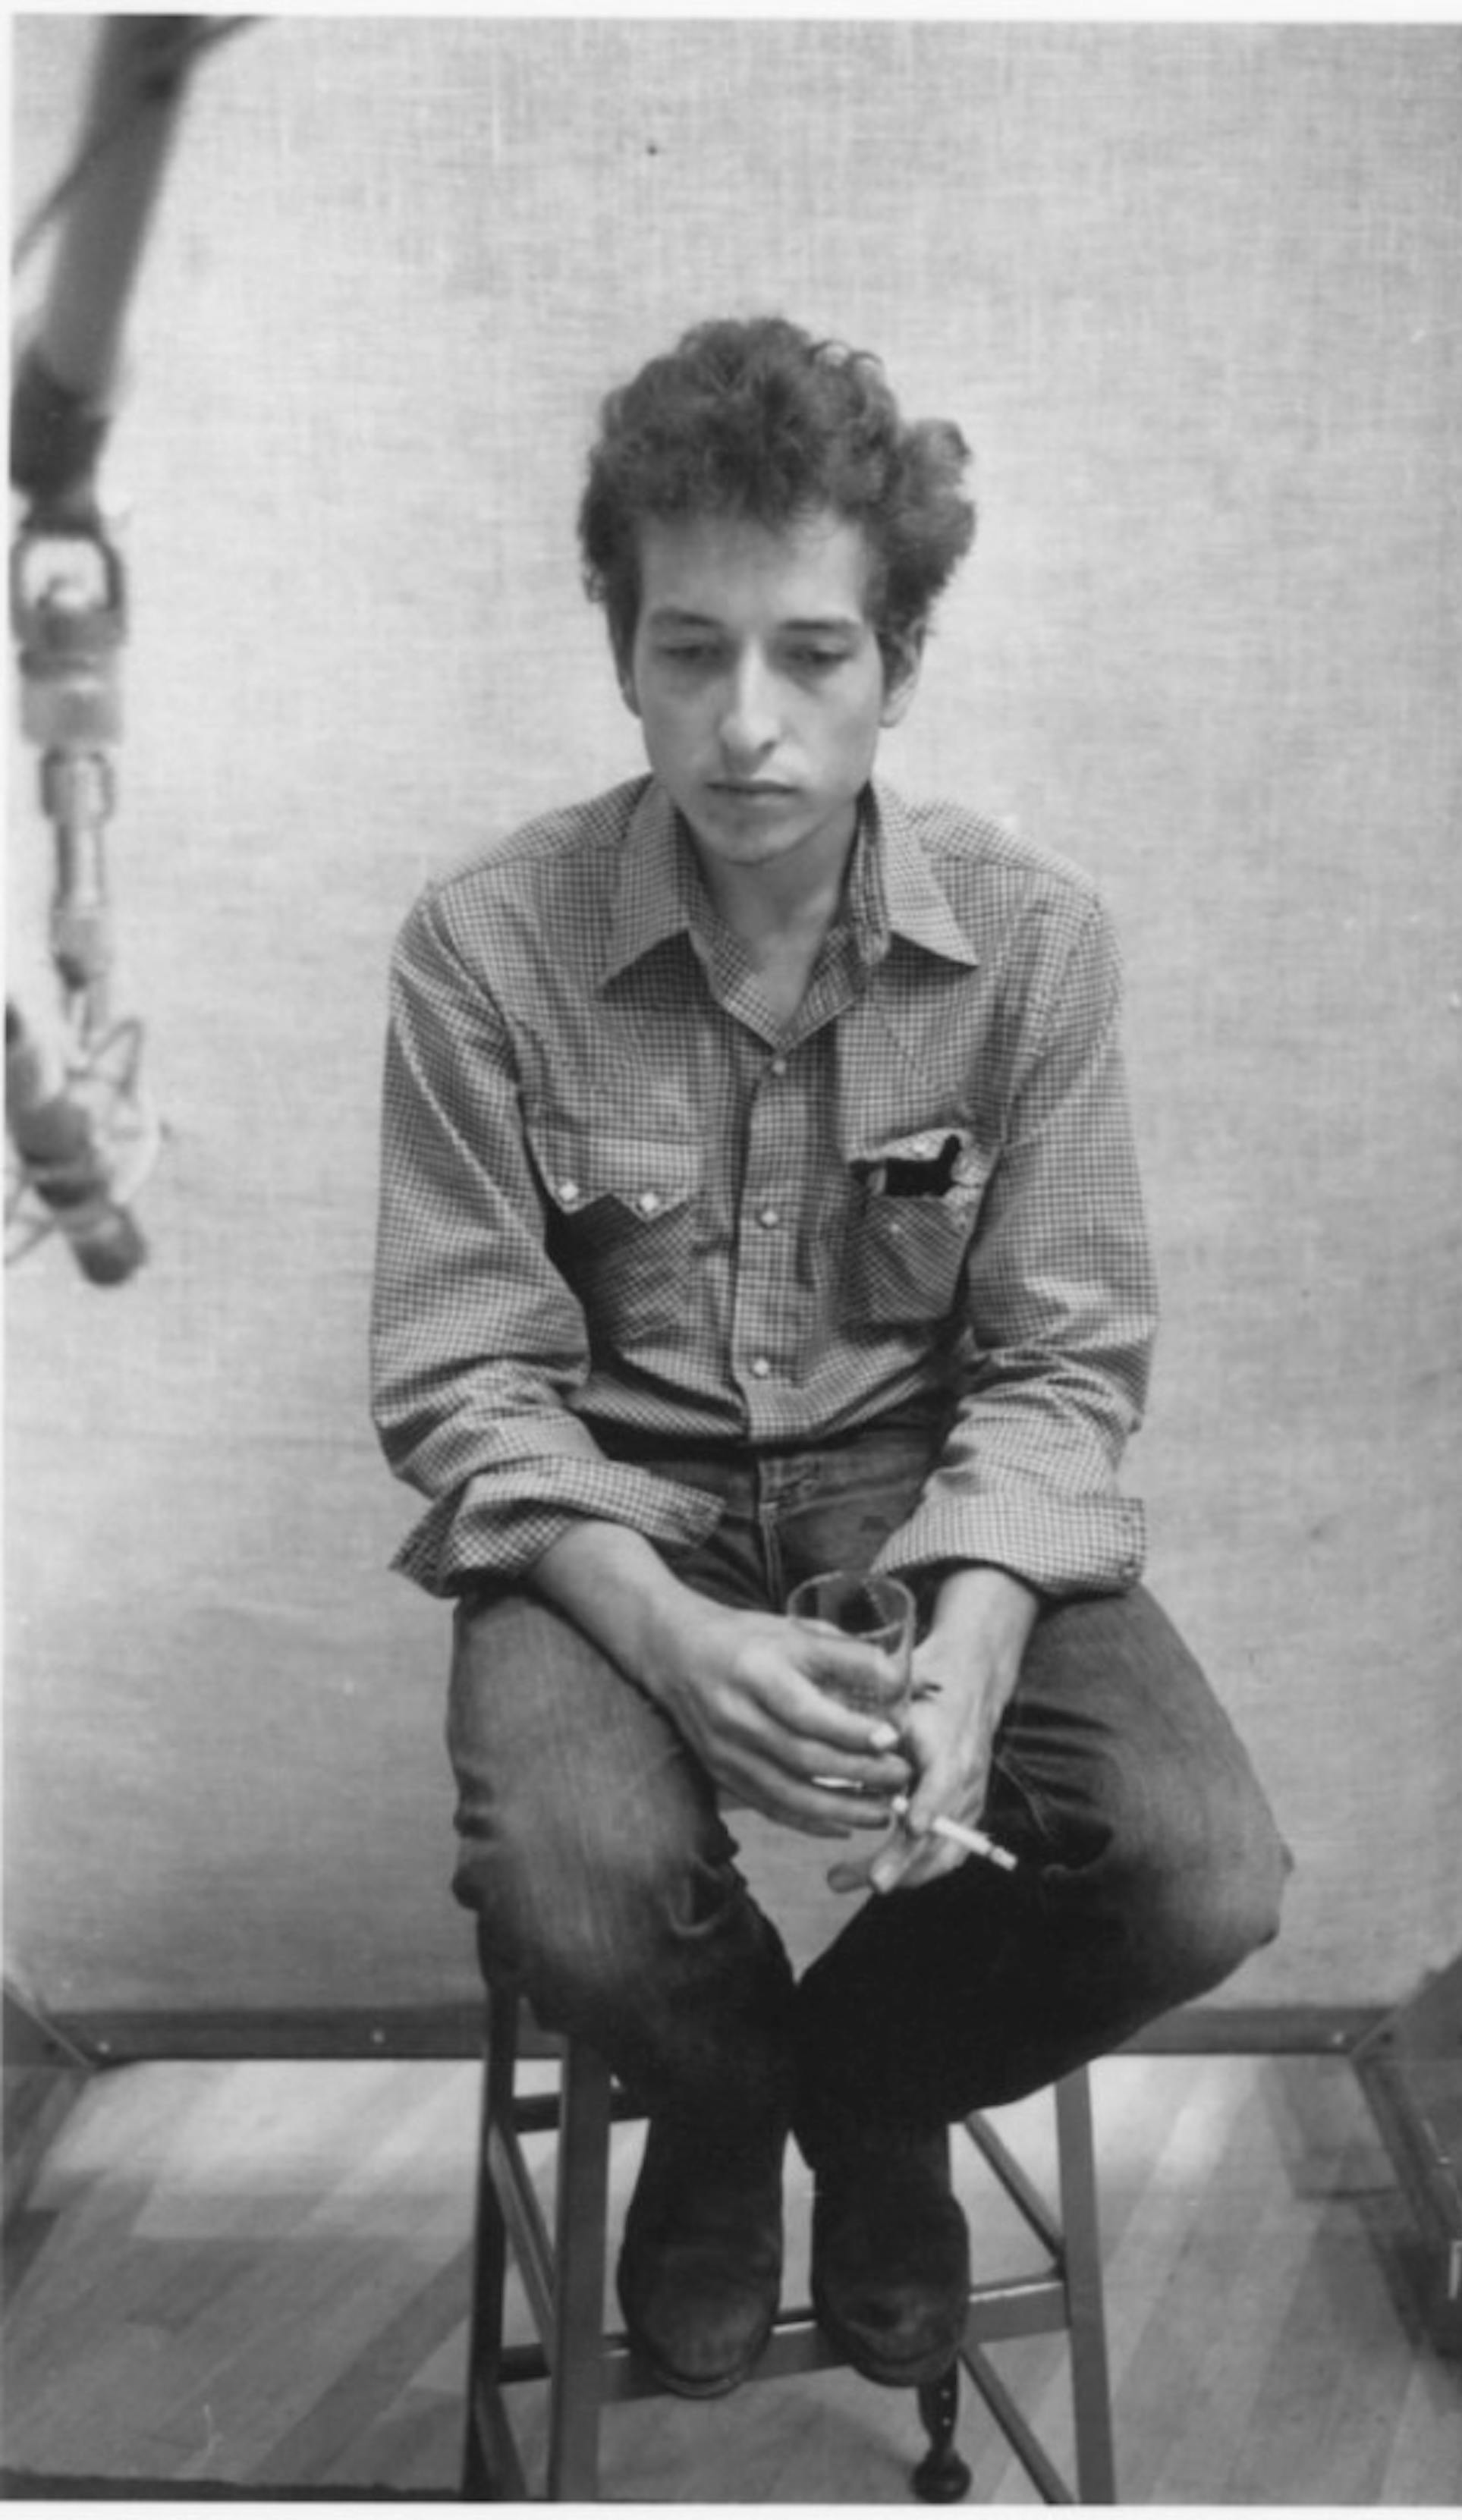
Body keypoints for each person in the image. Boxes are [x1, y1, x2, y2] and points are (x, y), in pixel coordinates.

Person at [370, 314, 1288, 2405]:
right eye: (690, 650)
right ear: (622, 654)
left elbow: (1063, 1362)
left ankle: (854, 2095)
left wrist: (975, 1636)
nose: (749, 725)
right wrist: (679, 1641)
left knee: (1198, 1865)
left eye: (812, 653)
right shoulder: (483, 943)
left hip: (919, 1484)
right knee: (572, 1888)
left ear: (901, 660)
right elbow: (467, 1378)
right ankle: (726, 2108)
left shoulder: (1036, 944)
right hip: (618, 1505)